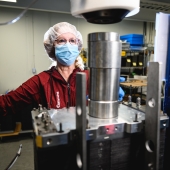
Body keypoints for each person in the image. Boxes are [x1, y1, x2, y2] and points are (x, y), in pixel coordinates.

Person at [0, 22, 124, 119]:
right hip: (56, 143)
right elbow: (7, 103)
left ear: (78, 45)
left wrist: (111, 91)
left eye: (72, 41)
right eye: (62, 41)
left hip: (87, 140)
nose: (68, 45)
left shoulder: (90, 77)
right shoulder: (41, 81)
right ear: (52, 46)